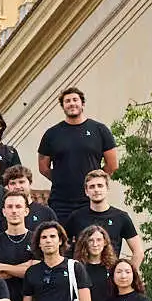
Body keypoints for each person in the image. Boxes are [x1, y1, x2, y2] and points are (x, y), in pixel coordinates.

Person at [36, 88, 117, 222]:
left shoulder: (99, 130)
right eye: (67, 101)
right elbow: (43, 168)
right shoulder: (52, 134)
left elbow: (112, 165)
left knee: (91, 241)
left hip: (90, 200)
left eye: (75, 100)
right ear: (63, 106)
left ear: (82, 104)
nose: (72, 104)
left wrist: (95, 181)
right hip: (60, 202)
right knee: (62, 241)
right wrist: (62, 179)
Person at [65, 171, 146, 266]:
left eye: (100, 185)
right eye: (92, 186)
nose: (96, 190)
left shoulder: (121, 217)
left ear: (107, 188)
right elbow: (61, 246)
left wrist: (129, 276)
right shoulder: (76, 217)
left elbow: (138, 252)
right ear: (86, 191)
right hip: (82, 276)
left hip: (110, 275)